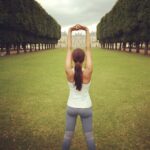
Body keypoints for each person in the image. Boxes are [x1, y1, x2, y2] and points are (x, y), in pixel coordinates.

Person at [62, 24, 96, 150]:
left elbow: (69, 49)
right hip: (86, 107)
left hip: (71, 107)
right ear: (84, 59)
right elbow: (88, 49)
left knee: (67, 136)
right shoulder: (88, 71)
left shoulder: (68, 71)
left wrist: (69, 30)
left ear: (72, 58)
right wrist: (86, 30)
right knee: (89, 137)